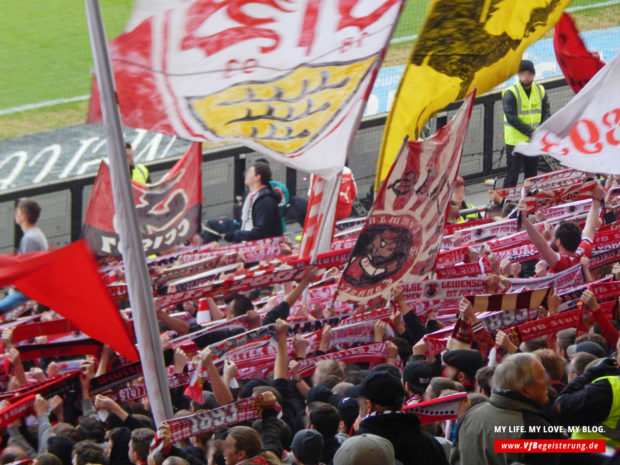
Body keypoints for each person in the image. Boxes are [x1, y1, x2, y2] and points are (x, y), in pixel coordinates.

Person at [450, 353, 561, 465]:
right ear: (524, 390)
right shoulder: (536, 429)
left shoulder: (468, 417)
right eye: (542, 378)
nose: (547, 383)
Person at [349, 371, 448, 465]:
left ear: (368, 405)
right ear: (402, 403)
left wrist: (359, 433)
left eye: (359, 403)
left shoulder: (357, 449)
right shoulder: (429, 444)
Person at [517, 180, 604, 273]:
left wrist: (525, 220)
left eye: (554, 232)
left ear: (558, 242)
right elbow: (590, 226)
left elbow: (541, 246)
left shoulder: (562, 263)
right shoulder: (583, 251)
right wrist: (597, 200)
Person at [204, 162, 282, 243]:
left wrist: (235, 236)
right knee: (212, 224)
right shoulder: (248, 195)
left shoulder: (267, 200)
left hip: (257, 243)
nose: (246, 174)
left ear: (257, 177)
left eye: (250, 172)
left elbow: (261, 232)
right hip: (243, 231)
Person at [502, 60, 551, 188]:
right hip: (515, 143)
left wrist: (541, 129)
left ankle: (529, 202)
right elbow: (511, 117)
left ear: (533, 75)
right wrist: (531, 131)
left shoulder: (540, 90)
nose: (526, 77)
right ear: (519, 75)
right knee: (512, 175)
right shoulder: (510, 93)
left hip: (532, 141)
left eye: (529, 74)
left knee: (532, 176)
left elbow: (546, 112)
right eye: (523, 74)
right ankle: (504, 203)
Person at [0, 199, 49, 314]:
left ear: (24, 217)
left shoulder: (29, 239)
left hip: (28, 291)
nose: (16, 215)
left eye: (18, 213)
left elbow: (26, 270)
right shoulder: (36, 233)